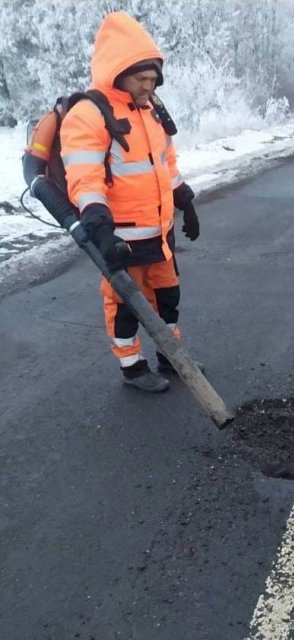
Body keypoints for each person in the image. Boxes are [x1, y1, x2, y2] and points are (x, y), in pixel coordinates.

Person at [60, 12, 200, 392]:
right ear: (117, 71)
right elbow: (84, 179)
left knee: (168, 297)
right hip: (121, 236)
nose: (148, 85)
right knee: (125, 306)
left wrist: (183, 198)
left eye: (153, 79)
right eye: (141, 78)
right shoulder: (88, 115)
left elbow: (164, 163)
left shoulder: (150, 110)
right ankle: (132, 366)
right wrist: (100, 231)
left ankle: (170, 354)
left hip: (160, 232)